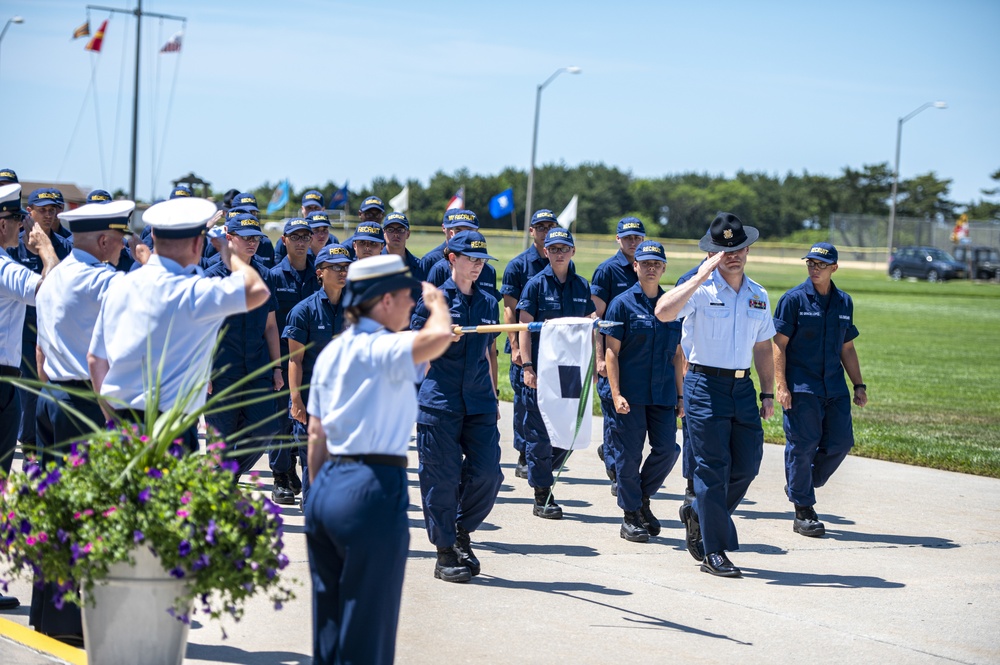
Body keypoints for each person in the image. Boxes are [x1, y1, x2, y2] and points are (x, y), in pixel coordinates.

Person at [305, 254, 454, 665]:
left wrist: (318, 497)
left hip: (327, 486)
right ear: (384, 299)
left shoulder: (334, 351)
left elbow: (316, 434)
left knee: (329, 628)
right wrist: (439, 304)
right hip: (370, 486)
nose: (413, 305)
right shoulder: (382, 346)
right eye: (408, 297)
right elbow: (437, 337)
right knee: (367, 628)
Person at [31, 199, 144, 642]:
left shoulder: (55, 277)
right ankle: (75, 623)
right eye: (119, 239)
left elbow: (41, 353)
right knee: (89, 510)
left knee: (57, 507)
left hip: (53, 394)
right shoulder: (107, 282)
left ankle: (48, 612)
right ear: (102, 241)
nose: (123, 247)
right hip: (86, 401)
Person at [88, 198, 272, 452]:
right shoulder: (194, 291)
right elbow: (257, 289)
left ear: (153, 234)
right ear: (198, 242)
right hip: (172, 427)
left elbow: (96, 360)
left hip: (122, 421)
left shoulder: (118, 285)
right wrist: (228, 256)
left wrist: (112, 419)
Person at [654, 212, 775, 578]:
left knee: (748, 463)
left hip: (742, 387)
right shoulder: (698, 288)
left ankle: (698, 512)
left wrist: (768, 391)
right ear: (712, 253)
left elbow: (764, 346)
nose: (732, 255)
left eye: (738, 248)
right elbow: (662, 313)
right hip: (704, 385)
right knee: (711, 469)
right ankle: (714, 550)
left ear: (748, 248)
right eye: (724, 251)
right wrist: (701, 275)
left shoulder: (758, 294)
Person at [411, 230, 502, 583]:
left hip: (479, 398)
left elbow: (490, 351)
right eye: (471, 259)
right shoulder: (434, 301)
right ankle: (445, 550)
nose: (478, 266)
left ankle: (461, 530)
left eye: (481, 260)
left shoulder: (487, 302)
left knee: (488, 472)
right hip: (441, 400)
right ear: (452, 259)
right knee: (441, 478)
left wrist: (493, 394)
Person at [773, 242, 867, 537]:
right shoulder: (793, 300)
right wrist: (781, 385)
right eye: (810, 263)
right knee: (803, 444)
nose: (814, 268)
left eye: (820, 265)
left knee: (841, 443)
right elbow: (779, 345)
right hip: (802, 387)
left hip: (834, 387)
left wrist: (858, 384)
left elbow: (847, 348)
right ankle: (803, 509)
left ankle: (801, 482)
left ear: (834, 268)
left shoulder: (844, 302)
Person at [0, 183, 58, 612]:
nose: (24, 228)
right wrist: (46, 252)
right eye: (19, 221)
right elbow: (52, 292)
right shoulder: (5, 267)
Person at [603, 241, 683, 543]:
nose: (651, 268)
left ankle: (640, 498)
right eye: (644, 262)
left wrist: (680, 396)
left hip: (662, 393)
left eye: (656, 264)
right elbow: (611, 352)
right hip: (630, 395)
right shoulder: (621, 304)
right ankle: (631, 514)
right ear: (635, 266)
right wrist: (616, 392)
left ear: (663, 268)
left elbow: (677, 354)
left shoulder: (673, 305)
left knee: (667, 450)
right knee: (628, 454)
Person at [517, 228, 596, 519]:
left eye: (564, 248)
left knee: (568, 431)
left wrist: (594, 363)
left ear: (573, 251)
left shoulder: (581, 285)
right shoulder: (535, 285)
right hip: (542, 369)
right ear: (546, 252)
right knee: (539, 434)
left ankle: (542, 471)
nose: (559, 253)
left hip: (572, 370)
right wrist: (527, 367)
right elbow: (524, 327)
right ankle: (542, 495)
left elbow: (589, 327)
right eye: (553, 249)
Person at [204, 213, 283, 476]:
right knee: (221, 443)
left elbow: (270, 325)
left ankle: (227, 477)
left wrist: (277, 368)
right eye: (245, 238)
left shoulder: (265, 276)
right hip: (222, 370)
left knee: (264, 428)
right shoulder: (212, 276)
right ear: (229, 238)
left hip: (257, 366)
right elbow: (201, 329)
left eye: (256, 238)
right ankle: (215, 500)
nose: (253, 243)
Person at [282, 243, 353, 510]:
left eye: (346, 267)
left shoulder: (357, 310)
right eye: (335, 267)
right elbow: (295, 360)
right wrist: (296, 400)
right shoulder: (303, 311)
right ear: (320, 272)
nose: (342, 272)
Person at [7, 188, 72, 459]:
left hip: (52, 329)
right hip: (22, 328)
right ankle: (30, 442)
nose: (48, 214)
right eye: (42, 210)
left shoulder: (64, 246)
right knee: (28, 387)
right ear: (29, 211)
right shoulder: (14, 246)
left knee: (48, 384)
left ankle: (41, 440)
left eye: (53, 210)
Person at [500, 209, 556, 479]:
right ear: (532, 231)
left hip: (553, 349)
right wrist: (517, 348)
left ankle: (542, 452)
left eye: (549, 225)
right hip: (526, 347)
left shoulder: (560, 261)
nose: (545, 230)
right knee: (525, 403)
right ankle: (524, 454)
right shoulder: (519, 265)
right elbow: (509, 310)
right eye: (540, 226)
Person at [266, 218, 320, 503]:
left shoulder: (318, 275)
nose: (300, 242)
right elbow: (270, 323)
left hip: (310, 361)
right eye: (294, 237)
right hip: (284, 358)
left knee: (304, 419)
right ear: (284, 240)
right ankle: (280, 476)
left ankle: (299, 471)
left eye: (305, 237)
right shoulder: (274, 277)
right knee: (280, 421)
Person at [592, 217, 646, 496]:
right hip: (612, 351)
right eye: (628, 238)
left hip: (637, 356)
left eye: (638, 238)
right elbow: (596, 319)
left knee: (627, 417)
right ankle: (616, 470)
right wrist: (599, 357)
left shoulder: (648, 266)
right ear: (618, 239)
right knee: (614, 414)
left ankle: (613, 455)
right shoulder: (608, 271)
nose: (633, 242)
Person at [420, 209, 479, 275]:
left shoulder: (479, 261)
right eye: (457, 230)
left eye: (469, 231)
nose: (463, 235)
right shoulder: (431, 260)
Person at [381, 211, 425, 281]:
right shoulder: (374, 263)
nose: (396, 234)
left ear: (408, 234)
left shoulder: (419, 266)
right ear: (384, 233)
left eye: (400, 230)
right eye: (390, 230)